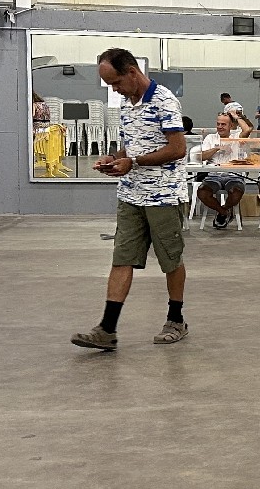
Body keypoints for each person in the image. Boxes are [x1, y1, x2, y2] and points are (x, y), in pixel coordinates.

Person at [70, 48, 190, 351]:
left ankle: (176, 319)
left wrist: (133, 162)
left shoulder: (164, 101)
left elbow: (178, 149)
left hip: (163, 195)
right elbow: (133, 147)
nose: (115, 90)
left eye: (116, 82)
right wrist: (114, 158)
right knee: (121, 258)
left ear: (132, 73)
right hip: (130, 195)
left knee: (170, 260)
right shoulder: (126, 105)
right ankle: (107, 329)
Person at [191, 109, 256, 229]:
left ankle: (224, 210)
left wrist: (236, 117)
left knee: (236, 192)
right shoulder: (210, 138)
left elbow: (247, 130)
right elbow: (201, 156)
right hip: (213, 175)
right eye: (218, 124)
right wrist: (217, 148)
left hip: (234, 175)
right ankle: (224, 212)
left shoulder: (237, 136)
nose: (220, 127)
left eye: (223, 124)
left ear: (231, 126)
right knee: (202, 192)